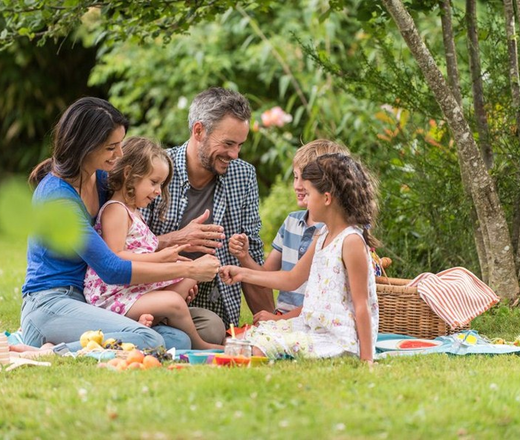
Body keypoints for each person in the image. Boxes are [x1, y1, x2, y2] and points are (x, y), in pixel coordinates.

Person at [16, 97, 221, 356]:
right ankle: (48, 351)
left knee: (177, 339)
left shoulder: (99, 181)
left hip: (85, 301)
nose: (120, 155)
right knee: (148, 339)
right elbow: (111, 268)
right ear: (85, 146)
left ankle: (106, 336)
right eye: (112, 147)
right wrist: (189, 268)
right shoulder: (57, 198)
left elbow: (129, 240)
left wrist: (177, 240)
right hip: (50, 304)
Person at [220, 153, 379, 363]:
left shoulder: (350, 241)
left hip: (337, 339)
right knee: (241, 340)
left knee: (255, 350)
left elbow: (362, 304)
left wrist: (366, 359)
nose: (305, 200)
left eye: (309, 193)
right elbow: (291, 279)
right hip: (312, 326)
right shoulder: (323, 235)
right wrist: (242, 273)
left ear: (327, 198)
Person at [142, 87, 274, 335]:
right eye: (228, 143)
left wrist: (270, 326)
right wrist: (178, 239)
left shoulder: (243, 176)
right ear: (198, 131)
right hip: (152, 300)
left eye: (240, 145)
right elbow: (126, 250)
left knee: (212, 330)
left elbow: (253, 255)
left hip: (214, 308)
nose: (234, 154)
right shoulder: (154, 171)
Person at [84, 137, 223, 350]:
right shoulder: (115, 210)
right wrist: (160, 258)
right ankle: (200, 344)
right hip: (113, 296)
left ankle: (150, 321)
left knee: (189, 277)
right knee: (174, 301)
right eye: (153, 182)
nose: (158, 191)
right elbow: (115, 257)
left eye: (161, 184)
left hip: (133, 290)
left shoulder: (134, 213)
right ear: (129, 174)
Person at [229, 139, 350, 325]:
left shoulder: (333, 233)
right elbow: (265, 278)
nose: (298, 186)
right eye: (295, 177)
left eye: (305, 179)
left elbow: (324, 302)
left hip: (315, 319)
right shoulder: (291, 223)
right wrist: (244, 257)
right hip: (283, 317)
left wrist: (280, 321)